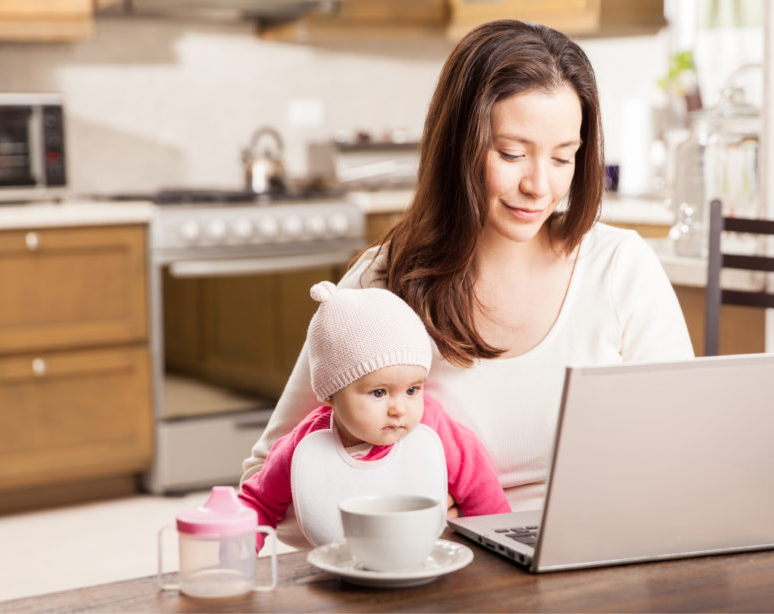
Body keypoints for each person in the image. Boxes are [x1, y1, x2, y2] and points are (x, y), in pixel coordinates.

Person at [243, 19, 693, 522]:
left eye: (564, 157)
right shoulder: (382, 283)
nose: (539, 186)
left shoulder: (620, 267)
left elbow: (686, 454)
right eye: (512, 154)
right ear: (459, 145)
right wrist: (399, 515)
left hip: (599, 547)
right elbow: (266, 479)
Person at [238, 281, 510, 550]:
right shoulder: (305, 445)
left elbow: (484, 495)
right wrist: (240, 553)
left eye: (413, 390)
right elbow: (258, 503)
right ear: (331, 394)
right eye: (379, 393)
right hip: (338, 573)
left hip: (426, 564)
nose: (399, 409)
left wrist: (501, 553)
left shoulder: (435, 427)